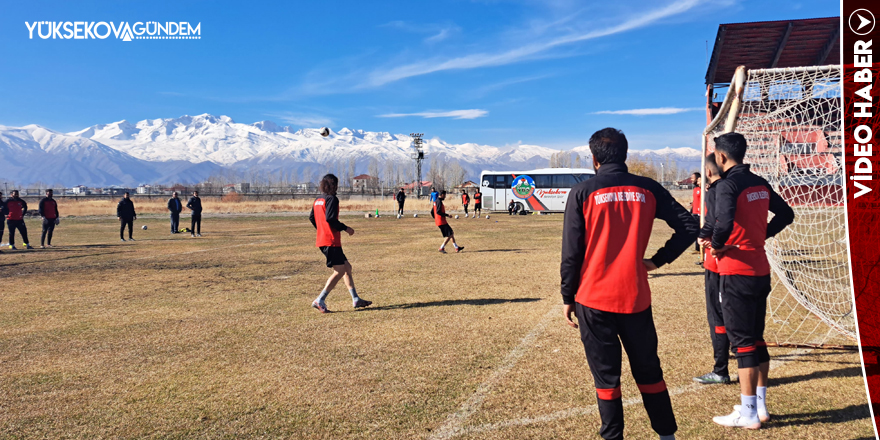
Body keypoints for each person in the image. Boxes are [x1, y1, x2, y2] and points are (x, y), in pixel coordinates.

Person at [560, 128, 698, 440]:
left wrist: (567, 295)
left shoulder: (582, 192)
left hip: (593, 300)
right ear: (624, 154)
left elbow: (571, 252)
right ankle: (667, 435)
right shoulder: (647, 188)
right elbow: (689, 226)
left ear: (594, 159)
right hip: (635, 298)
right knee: (649, 370)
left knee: (607, 378)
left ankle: (613, 436)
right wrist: (657, 260)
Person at [708, 132, 794, 429]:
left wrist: (717, 243)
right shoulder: (760, 183)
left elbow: (723, 222)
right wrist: (761, 236)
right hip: (761, 269)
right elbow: (786, 214)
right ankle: (760, 406)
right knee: (756, 338)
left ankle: (747, 413)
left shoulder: (728, 185)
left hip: (737, 271)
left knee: (742, 344)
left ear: (721, 157)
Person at [692, 154, 731, 385]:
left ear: (708, 171)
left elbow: (718, 221)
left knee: (718, 313)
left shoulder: (719, 190)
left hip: (719, 262)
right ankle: (735, 351)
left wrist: (710, 241)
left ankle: (721, 369)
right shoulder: (741, 185)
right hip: (742, 262)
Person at [309, 174, 372, 313]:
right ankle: (319, 300)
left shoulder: (318, 199)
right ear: (333, 185)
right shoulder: (332, 199)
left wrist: (321, 230)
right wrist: (346, 228)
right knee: (340, 271)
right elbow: (331, 218)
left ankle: (356, 299)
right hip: (330, 241)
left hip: (324, 239)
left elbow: (312, 217)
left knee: (347, 267)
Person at [690, 172, 702, 255]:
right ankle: (697, 248)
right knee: (695, 231)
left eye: (692, 178)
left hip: (700, 213)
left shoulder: (703, 189)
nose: (691, 180)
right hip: (694, 213)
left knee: (701, 231)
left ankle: (701, 249)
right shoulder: (695, 189)